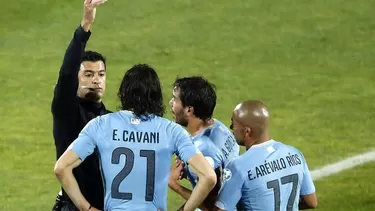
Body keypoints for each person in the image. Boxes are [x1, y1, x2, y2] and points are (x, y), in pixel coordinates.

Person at [53, 64, 217, 211]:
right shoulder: (171, 131)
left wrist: (86, 208)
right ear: (156, 96)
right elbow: (209, 177)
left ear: (123, 93)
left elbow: (61, 168)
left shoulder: (100, 125)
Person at [51, 0, 109, 210]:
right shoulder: (67, 111)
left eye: (101, 74)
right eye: (88, 74)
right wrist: (85, 25)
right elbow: (66, 75)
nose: (96, 80)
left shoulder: (111, 118)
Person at [213, 100, 318, 211]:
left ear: (247, 131)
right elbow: (311, 202)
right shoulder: (295, 154)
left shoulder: (238, 166)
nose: (231, 127)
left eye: (233, 124)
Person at [168, 76, 240, 210]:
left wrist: (174, 185)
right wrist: (190, 169)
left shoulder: (204, 150)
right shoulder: (218, 126)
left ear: (189, 110)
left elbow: (211, 208)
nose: (170, 102)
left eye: (175, 99)